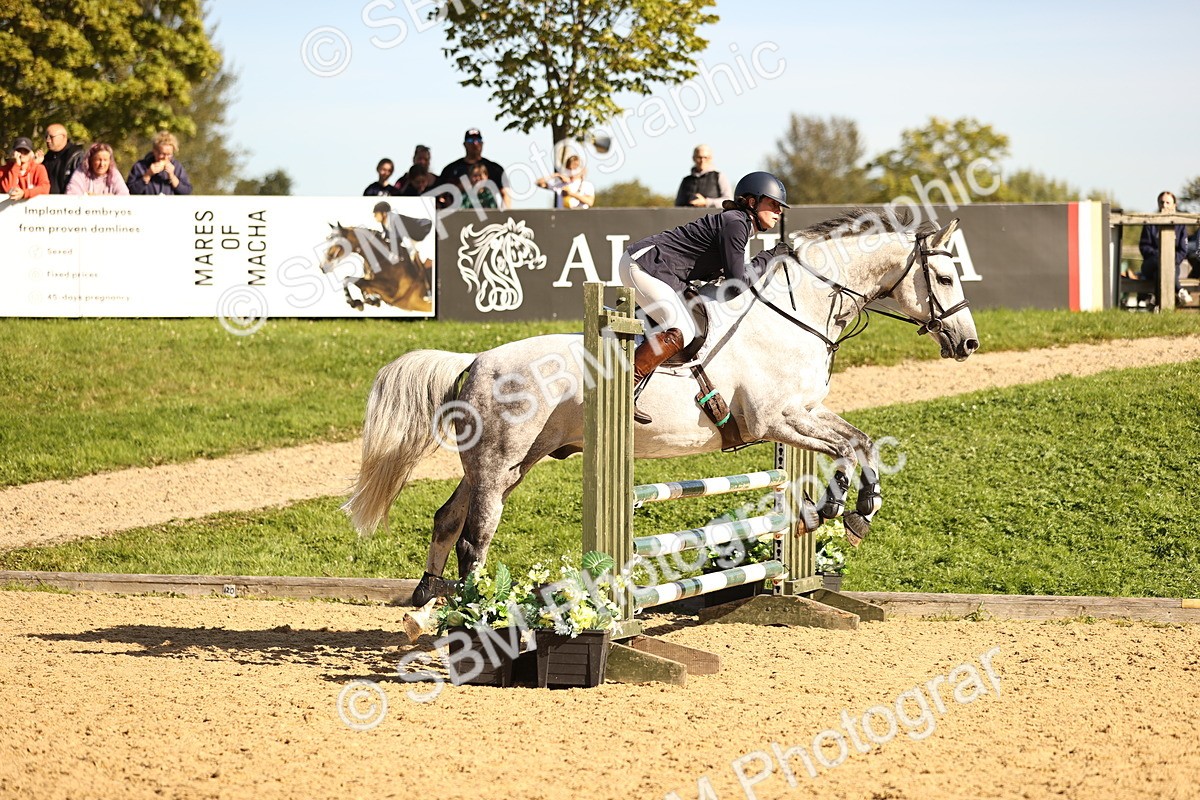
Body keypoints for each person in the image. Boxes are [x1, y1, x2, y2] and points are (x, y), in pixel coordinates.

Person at [619, 171, 790, 422]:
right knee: (682, 330)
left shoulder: (739, 223)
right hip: (645, 265)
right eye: (773, 204)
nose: (779, 211)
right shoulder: (736, 223)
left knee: (690, 321)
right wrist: (769, 256)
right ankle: (623, 388)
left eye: (780, 207)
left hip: (660, 270)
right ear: (752, 202)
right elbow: (735, 285)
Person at [435, 128, 511, 209]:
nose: (475, 143)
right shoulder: (451, 169)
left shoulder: (495, 168)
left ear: (482, 143)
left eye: (478, 140)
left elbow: (506, 194)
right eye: (471, 140)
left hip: (489, 214)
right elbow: (441, 195)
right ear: (465, 144)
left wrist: (506, 215)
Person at [1138, 190, 1189, 305]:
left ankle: (1157, 303)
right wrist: (1161, 257)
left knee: (1160, 272)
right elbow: (1144, 246)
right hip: (1150, 264)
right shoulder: (1150, 223)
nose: (1164, 205)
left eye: (1167, 202)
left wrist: (1170, 259)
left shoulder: (1180, 225)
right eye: (1162, 202)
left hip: (1173, 265)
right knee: (1159, 264)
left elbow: (1183, 250)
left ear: (1174, 205)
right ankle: (1179, 290)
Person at [127, 131, 192, 195]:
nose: (166, 158)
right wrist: (148, 175)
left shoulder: (177, 167)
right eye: (163, 154)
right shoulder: (140, 167)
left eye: (169, 154)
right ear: (154, 151)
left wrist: (172, 177)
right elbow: (130, 191)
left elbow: (186, 191)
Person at [65, 143, 129, 196]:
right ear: (91, 160)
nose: (102, 164)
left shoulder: (114, 173)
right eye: (98, 160)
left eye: (105, 160)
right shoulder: (81, 172)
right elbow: (72, 194)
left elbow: (124, 195)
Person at [38, 123, 85, 194]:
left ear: (63, 137)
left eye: (51, 137)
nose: (48, 140)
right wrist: (37, 164)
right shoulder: (46, 158)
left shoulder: (76, 155)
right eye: (46, 137)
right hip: (47, 202)